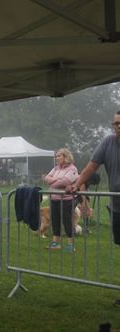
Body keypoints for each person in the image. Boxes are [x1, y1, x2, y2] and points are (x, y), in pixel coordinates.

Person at [67, 111, 120, 306]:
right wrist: (76, 184)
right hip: (117, 207)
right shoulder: (108, 142)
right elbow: (90, 167)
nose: (117, 127)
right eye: (115, 124)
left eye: (119, 124)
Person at [44, 148, 79, 252]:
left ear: (66, 157)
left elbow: (65, 181)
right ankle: (55, 244)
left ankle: (70, 245)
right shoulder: (56, 168)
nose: (57, 158)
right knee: (55, 221)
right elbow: (46, 178)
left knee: (67, 221)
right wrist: (56, 181)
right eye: (56, 156)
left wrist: (53, 183)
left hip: (66, 200)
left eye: (59, 156)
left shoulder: (73, 169)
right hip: (54, 198)